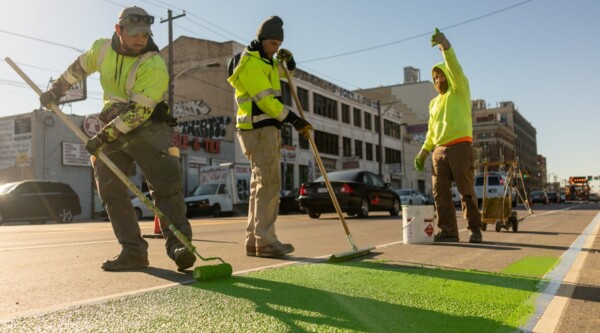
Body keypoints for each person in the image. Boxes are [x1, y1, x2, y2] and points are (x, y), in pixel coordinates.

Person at [39, 6, 197, 271]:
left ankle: (179, 244)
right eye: (134, 34)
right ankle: (133, 251)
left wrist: (103, 136)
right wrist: (56, 91)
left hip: (148, 126)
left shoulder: (154, 64)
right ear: (119, 30)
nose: (140, 40)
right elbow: (78, 69)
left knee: (166, 187)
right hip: (112, 122)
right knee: (110, 189)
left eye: (145, 35)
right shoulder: (101, 49)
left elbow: (139, 112)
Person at [227, 16, 312, 257]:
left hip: (261, 129)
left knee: (259, 187)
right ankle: (265, 240)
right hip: (260, 129)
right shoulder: (252, 63)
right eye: (273, 44)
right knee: (269, 184)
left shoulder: (266, 62)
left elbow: (285, 74)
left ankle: (255, 241)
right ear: (262, 40)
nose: (276, 49)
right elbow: (265, 101)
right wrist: (293, 119)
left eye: (279, 45)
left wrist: (290, 61)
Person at [414, 28, 483, 243]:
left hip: (461, 147)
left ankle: (474, 229)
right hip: (439, 151)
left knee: (466, 191)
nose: (437, 79)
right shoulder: (434, 103)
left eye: (440, 75)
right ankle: (448, 231)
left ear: (447, 76)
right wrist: (423, 152)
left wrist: (444, 45)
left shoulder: (459, 90)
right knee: (439, 194)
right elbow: (432, 132)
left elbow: (454, 67)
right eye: (434, 77)